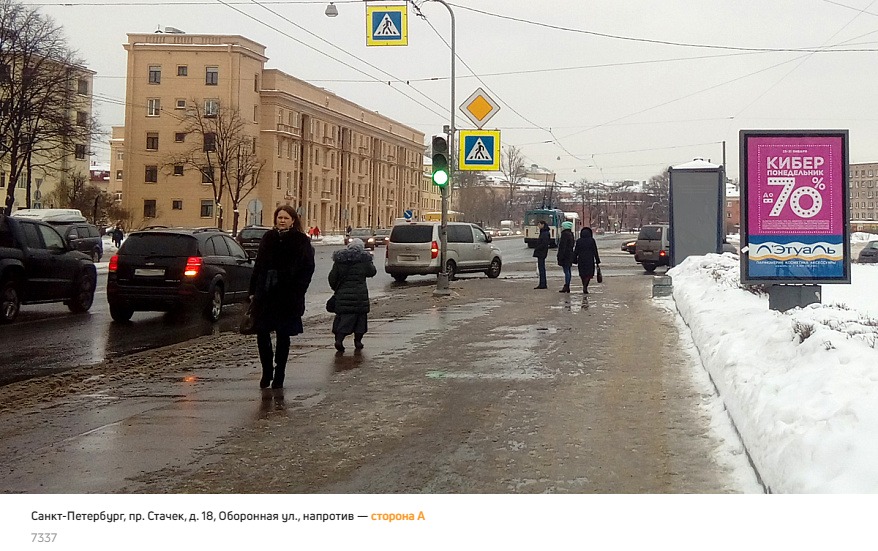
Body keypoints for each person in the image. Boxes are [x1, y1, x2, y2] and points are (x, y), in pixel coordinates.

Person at [249, 205, 315, 389]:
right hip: (265, 294)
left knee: (283, 335)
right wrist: (253, 291)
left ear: (293, 220)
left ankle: (279, 373)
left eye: (286, 218)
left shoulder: (300, 240)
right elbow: (258, 265)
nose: (282, 221)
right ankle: (266, 370)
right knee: (262, 333)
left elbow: (308, 268)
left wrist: (298, 289)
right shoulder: (268, 237)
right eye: (280, 217)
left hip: (288, 296)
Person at [328, 237, 377, 353]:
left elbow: (332, 278)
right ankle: (358, 341)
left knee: (343, 318)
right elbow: (372, 272)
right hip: (360, 295)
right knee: (360, 319)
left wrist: (337, 289)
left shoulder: (340, 260)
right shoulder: (364, 260)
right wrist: (369, 260)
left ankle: (339, 339)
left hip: (343, 295)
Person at [572, 226, 601, 294]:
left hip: (581, 259)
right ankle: (585, 286)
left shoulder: (579, 241)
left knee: (582, 274)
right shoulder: (592, 240)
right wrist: (597, 260)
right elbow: (595, 251)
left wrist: (574, 259)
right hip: (590, 259)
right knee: (589, 274)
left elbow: (576, 251)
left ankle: (584, 285)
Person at [556, 221, 575, 293]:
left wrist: (560, 256)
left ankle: (567, 285)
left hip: (565, 256)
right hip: (569, 255)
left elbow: (562, 247)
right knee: (568, 270)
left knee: (566, 271)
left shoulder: (564, 235)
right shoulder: (571, 234)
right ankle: (567, 285)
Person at [532, 220, 551, 289]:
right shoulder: (544, 232)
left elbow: (544, 243)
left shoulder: (544, 233)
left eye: (539, 224)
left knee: (541, 268)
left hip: (541, 252)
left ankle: (543, 284)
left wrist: (537, 248)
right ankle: (542, 283)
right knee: (541, 268)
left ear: (543, 225)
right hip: (542, 252)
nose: (538, 226)